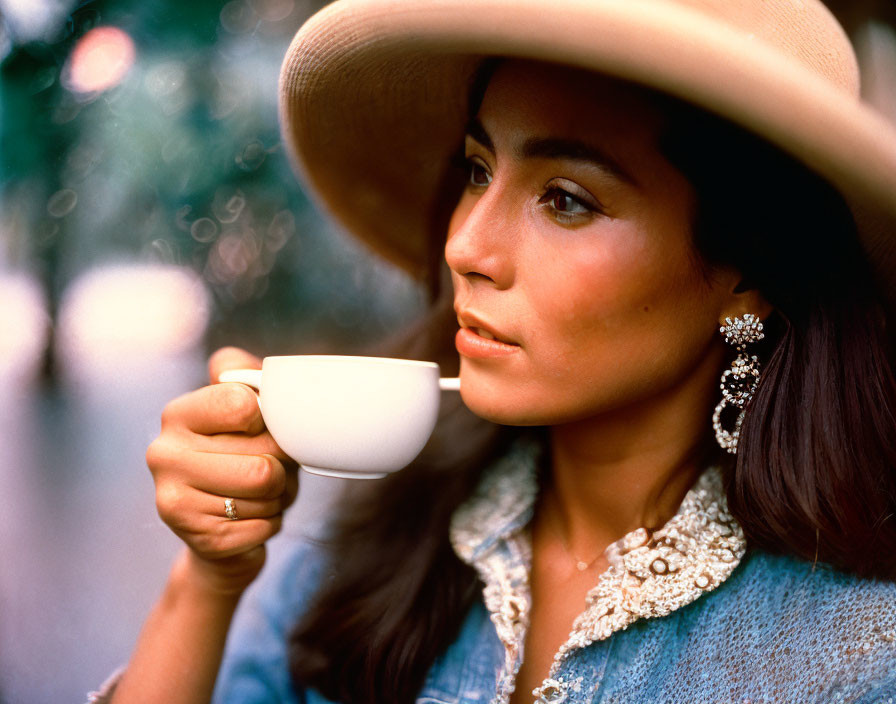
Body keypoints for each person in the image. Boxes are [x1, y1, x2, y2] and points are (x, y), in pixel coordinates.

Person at [92, 0, 896, 702]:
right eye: (477, 170)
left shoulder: (859, 659)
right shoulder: (378, 546)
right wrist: (207, 580)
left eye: (566, 199)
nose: (465, 245)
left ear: (746, 272)